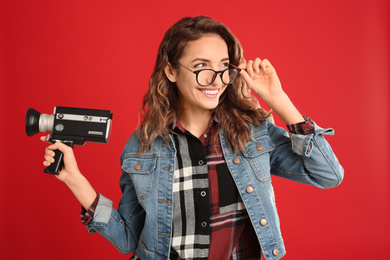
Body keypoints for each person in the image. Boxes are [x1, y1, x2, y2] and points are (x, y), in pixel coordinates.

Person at [41, 16, 344, 260]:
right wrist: (74, 179)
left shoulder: (252, 132)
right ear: (171, 71)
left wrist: (278, 99)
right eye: (201, 68)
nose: (215, 80)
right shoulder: (143, 147)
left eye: (224, 69)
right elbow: (128, 239)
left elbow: (328, 174)